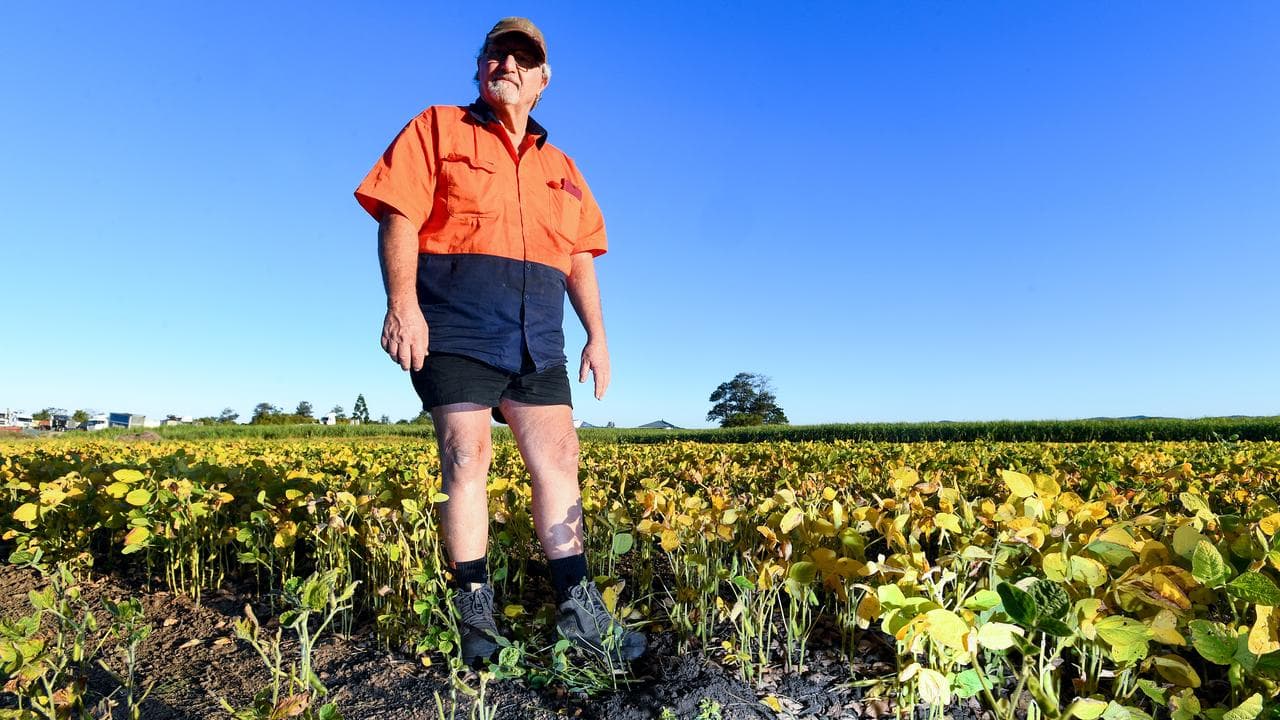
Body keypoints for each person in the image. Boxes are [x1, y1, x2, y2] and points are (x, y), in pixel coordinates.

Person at [354, 17, 645, 667]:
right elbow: (399, 214)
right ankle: (474, 609)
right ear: (480, 66)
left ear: (543, 80)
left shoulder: (563, 168)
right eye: (497, 53)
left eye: (523, 58)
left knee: (560, 459)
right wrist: (402, 305)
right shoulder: (437, 127)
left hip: (538, 334)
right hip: (456, 323)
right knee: (467, 456)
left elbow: (579, 258)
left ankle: (579, 607)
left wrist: (598, 337)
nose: (508, 65)